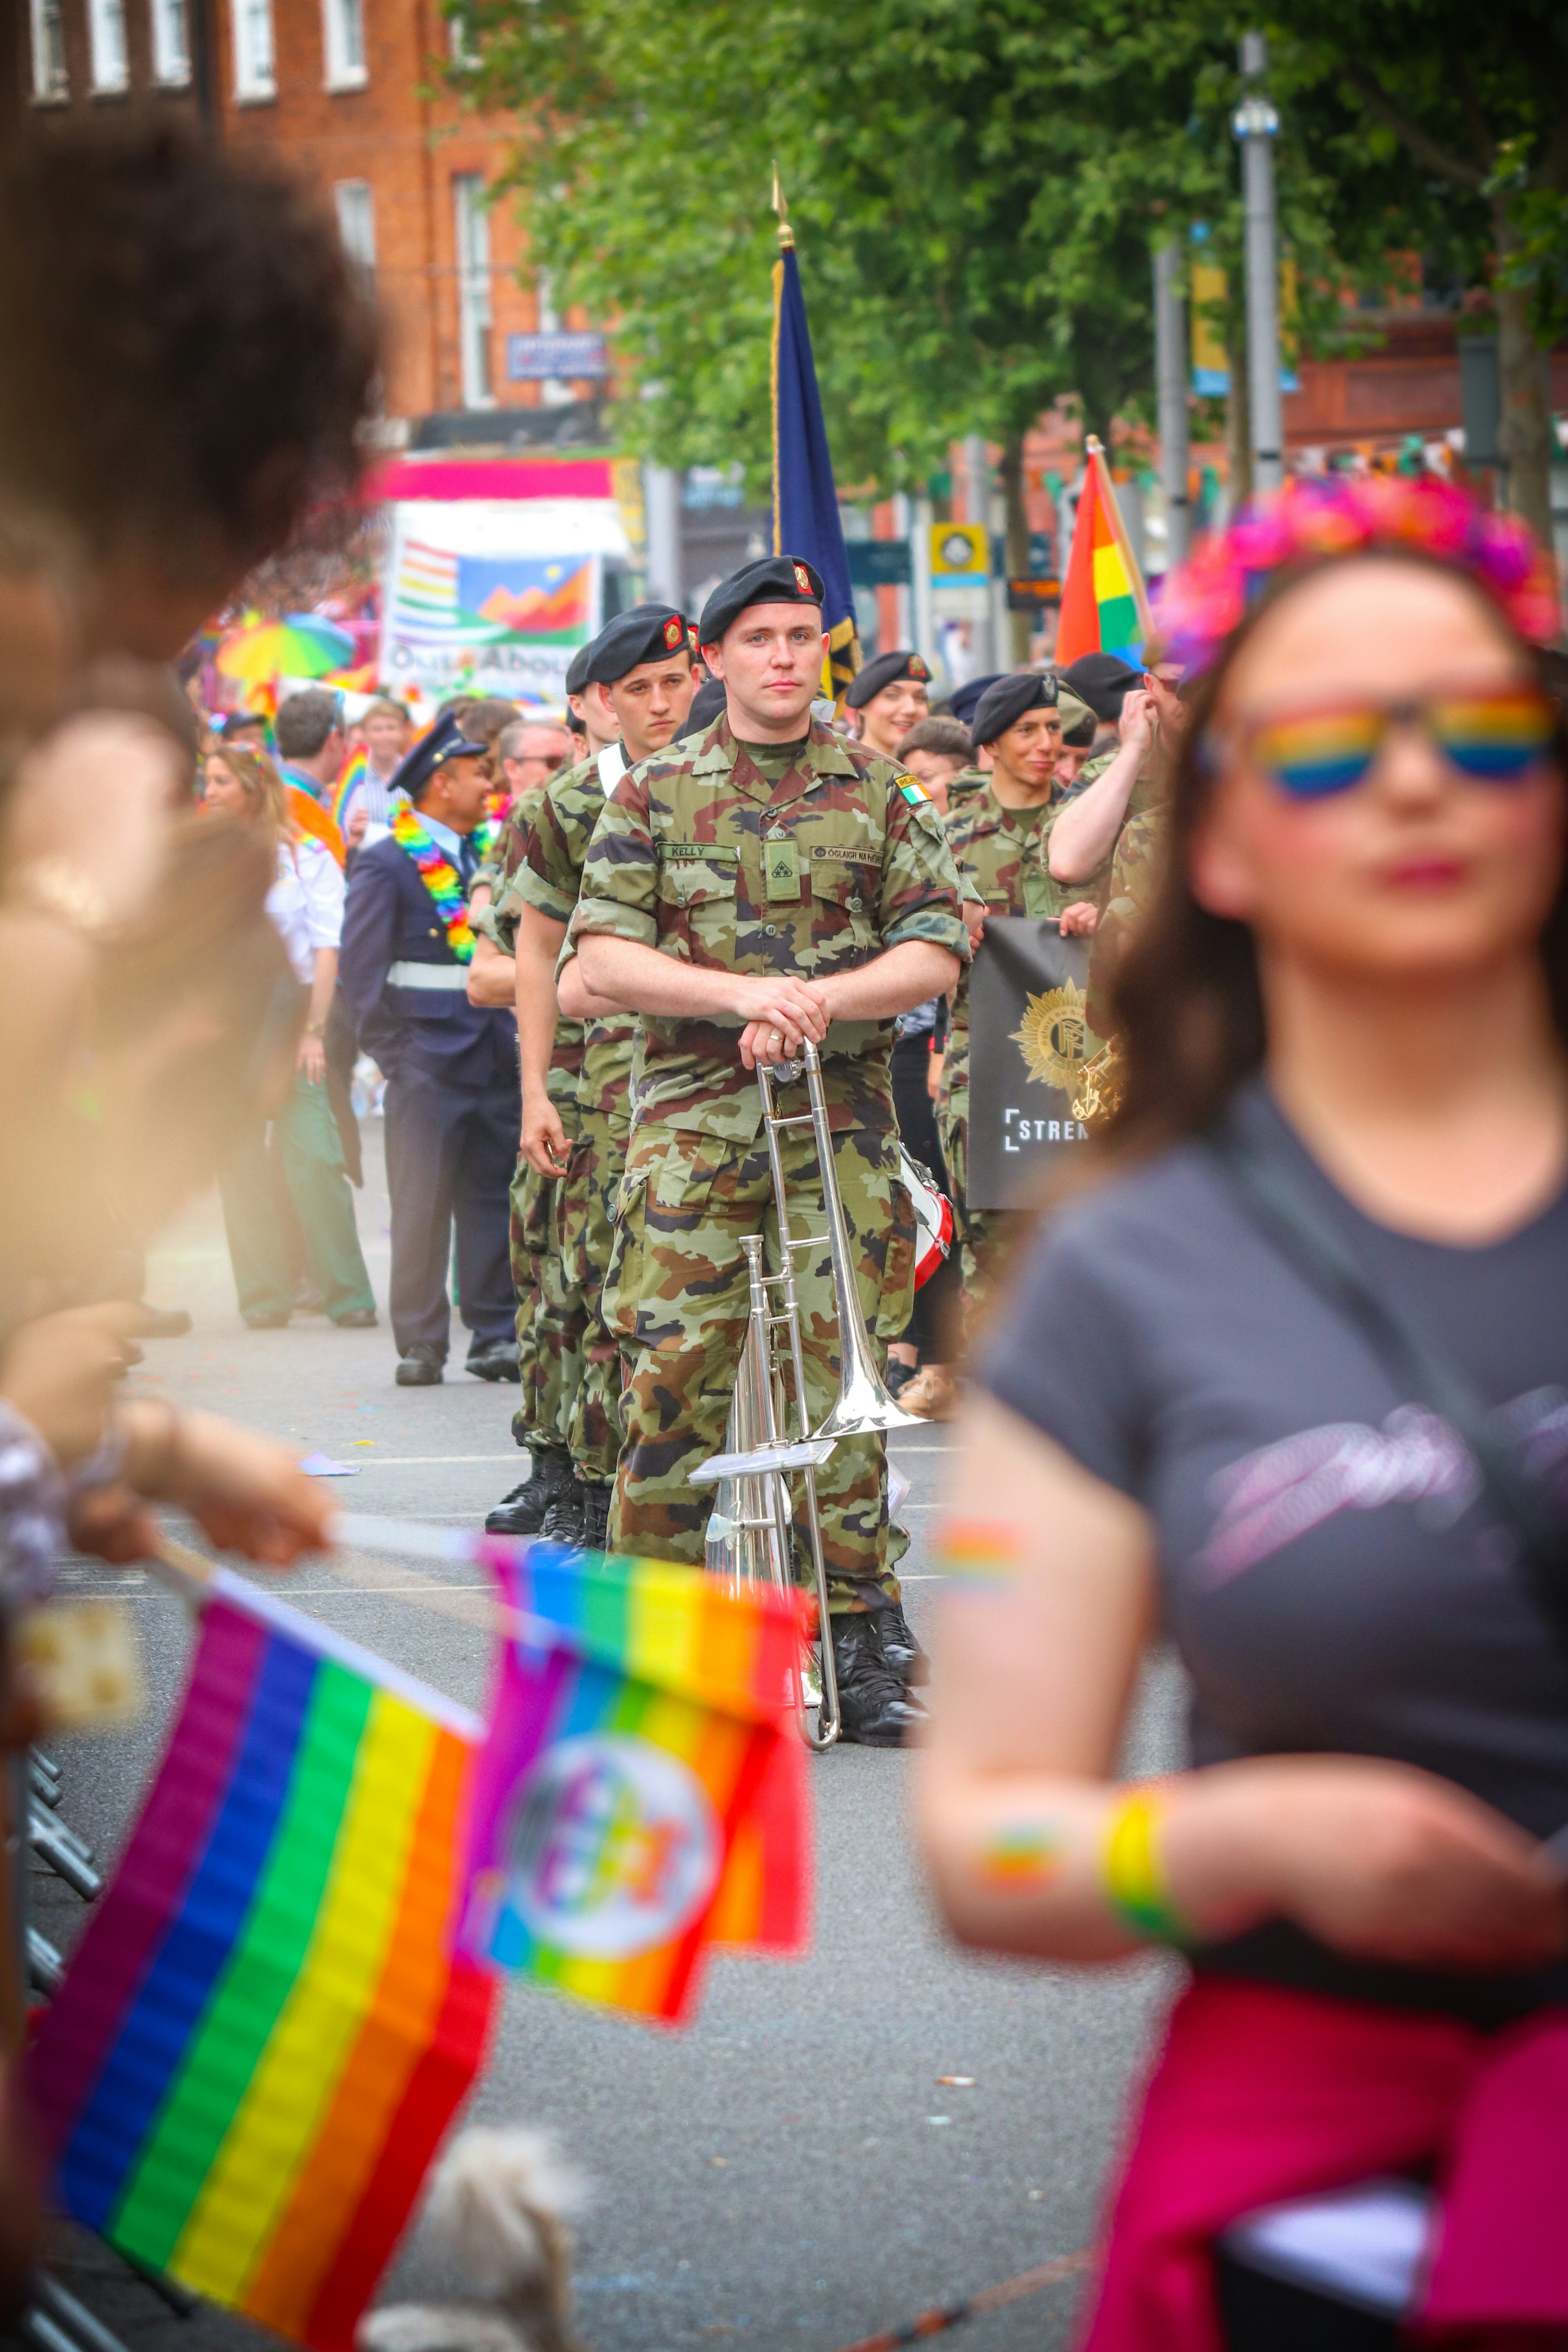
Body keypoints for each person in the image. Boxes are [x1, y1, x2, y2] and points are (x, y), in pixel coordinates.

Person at [916, 477, 1568, 2351]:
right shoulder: (1120, 1278)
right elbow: (983, 1843)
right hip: (1312, 2206)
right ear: (1217, 841)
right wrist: (1245, 1842)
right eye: (1320, 751)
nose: (1414, 783)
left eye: (1479, 728)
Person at [569, 554, 968, 1744]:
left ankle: (859, 1631)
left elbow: (936, 947)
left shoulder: (883, 790)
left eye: (803, 637)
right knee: (674, 1375)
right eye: (759, 639)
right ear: (717, 657)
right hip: (693, 1134)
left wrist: (817, 1001)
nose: (786, 657)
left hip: (838, 1132)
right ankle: (654, 1641)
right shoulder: (653, 793)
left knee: (841, 1380)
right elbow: (601, 960)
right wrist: (745, 993)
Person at [490, 604, 699, 1547]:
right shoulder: (565, 806)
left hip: (700, 1069)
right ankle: (580, 1483)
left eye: (675, 682)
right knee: (585, 1285)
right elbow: (528, 960)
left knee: (674, 1291)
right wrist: (536, 1089)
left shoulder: (716, 785)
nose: (662, 704)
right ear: (603, 704)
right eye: (640, 690)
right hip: (594, 1079)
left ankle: (664, 1484)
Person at [339, 712, 521, 1386]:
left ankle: (495, 1332)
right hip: (425, 1062)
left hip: (494, 1056)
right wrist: (395, 1056)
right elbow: (360, 975)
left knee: (490, 1199)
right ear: (443, 783)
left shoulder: (488, 859)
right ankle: (420, 1342)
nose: (490, 784)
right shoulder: (388, 860)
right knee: (420, 1205)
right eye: (478, 774)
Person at [938, 671, 1102, 1314]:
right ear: (990, 746)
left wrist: (1104, 919)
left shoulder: (1088, 831)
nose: (1044, 744)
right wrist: (950, 935)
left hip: (1085, 1064)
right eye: (1026, 731)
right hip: (983, 1064)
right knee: (994, 1241)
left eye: (1053, 731)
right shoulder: (949, 839)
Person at [201, 746, 377, 1330]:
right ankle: (264, 1298)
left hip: (295, 1017)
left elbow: (329, 949)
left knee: (316, 1159)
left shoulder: (307, 856)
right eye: (210, 780)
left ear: (254, 786)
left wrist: (312, 1033)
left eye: (223, 780)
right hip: (227, 1026)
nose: (213, 789)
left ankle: (348, 1296)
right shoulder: (205, 856)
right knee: (239, 1161)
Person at [882, 719, 974, 1415]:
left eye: (934, 778)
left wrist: (943, 1054)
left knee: (936, 1202)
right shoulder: (888, 830)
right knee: (903, 1202)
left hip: (937, 1052)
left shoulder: (960, 845)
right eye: (911, 777)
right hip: (887, 1049)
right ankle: (905, 1347)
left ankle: (938, 1357)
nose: (922, 792)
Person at [336, 694, 411, 844]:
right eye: (377, 730)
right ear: (365, 735)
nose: (385, 736)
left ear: (402, 732)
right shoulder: (354, 778)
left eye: (391, 729)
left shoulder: (413, 773)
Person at [845, 650, 932, 757]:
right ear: (863, 705)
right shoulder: (836, 768)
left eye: (920, 698)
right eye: (892, 695)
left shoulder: (935, 769)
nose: (911, 709)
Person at [495, 715, 574, 808]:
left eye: (569, 760)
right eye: (554, 762)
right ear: (513, 769)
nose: (567, 770)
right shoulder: (491, 821)